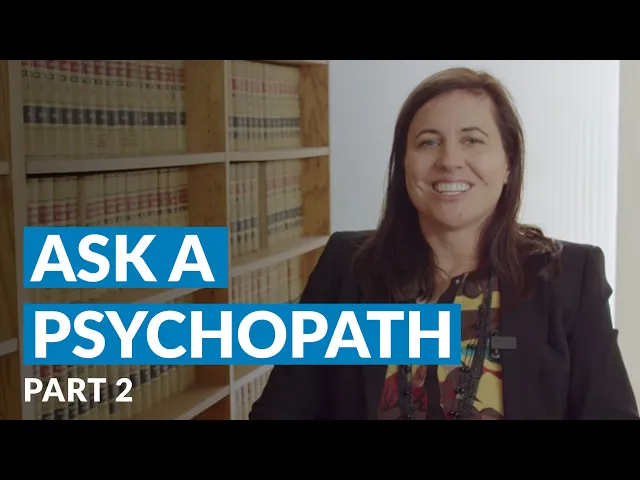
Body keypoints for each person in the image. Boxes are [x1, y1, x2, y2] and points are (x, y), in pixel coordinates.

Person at [249, 67, 639, 420]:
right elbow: (282, 410)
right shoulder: (348, 267)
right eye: (429, 142)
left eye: (472, 140)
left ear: (508, 163)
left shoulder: (569, 278)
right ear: (404, 163)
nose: (450, 160)